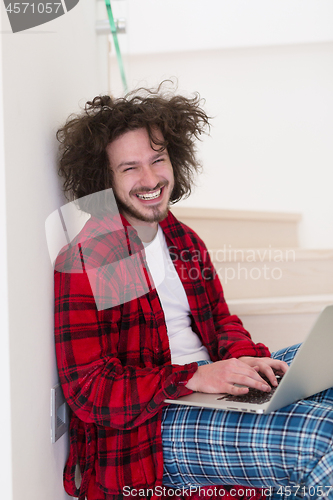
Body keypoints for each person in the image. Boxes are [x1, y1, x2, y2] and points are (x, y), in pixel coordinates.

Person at [54, 84, 333, 500]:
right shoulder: (95, 257)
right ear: (104, 179)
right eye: (130, 168)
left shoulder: (180, 238)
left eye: (157, 160)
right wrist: (197, 377)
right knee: (320, 443)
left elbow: (221, 321)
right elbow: (91, 390)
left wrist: (242, 357)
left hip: (210, 387)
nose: (150, 179)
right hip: (152, 429)